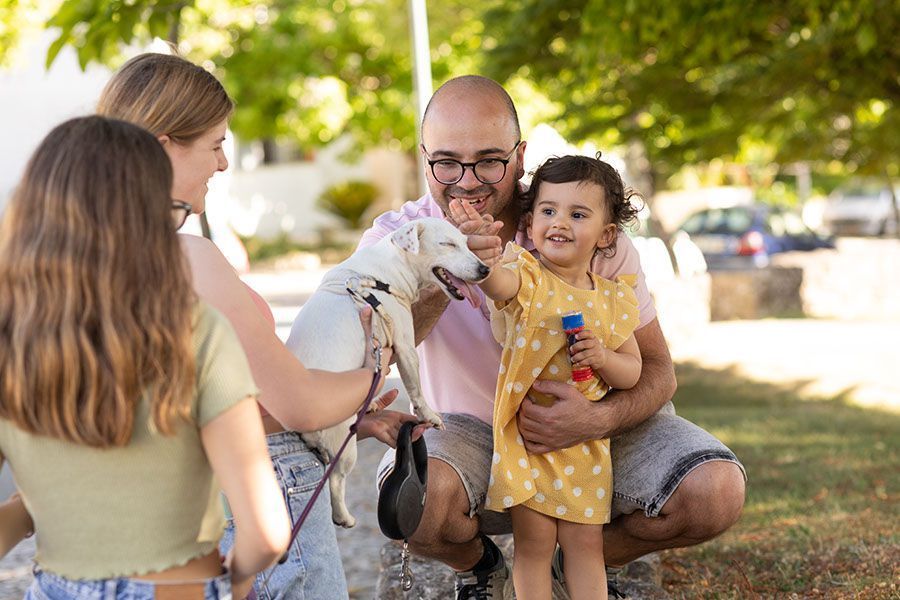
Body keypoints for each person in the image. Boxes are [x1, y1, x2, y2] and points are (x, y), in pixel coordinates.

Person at [363, 75, 746, 599]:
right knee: (414, 503)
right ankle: (482, 565)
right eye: (447, 162)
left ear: (520, 157)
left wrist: (597, 417)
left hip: (596, 431)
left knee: (716, 492)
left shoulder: (584, 226)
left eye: (489, 161)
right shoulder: (391, 239)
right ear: (423, 156)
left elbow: (658, 371)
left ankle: (576, 558)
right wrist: (444, 263)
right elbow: (372, 361)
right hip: (471, 434)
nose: (468, 182)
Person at [93, 52, 420, 599]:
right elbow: (300, 403)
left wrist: (347, 421)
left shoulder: (91, 257)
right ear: (163, 143)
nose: (223, 165)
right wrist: (376, 368)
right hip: (260, 494)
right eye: (216, 145)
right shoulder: (185, 258)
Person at [0, 115, 290, 599]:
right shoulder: (195, 327)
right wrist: (236, 586)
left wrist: (33, 509)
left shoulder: (11, 335)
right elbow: (265, 533)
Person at [449, 153, 644, 600]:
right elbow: (498, 285)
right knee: (534, 545)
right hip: (529, 445)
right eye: (548, 210)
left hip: (586, 446)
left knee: (585, 546)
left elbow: (632, 371)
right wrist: (481, 254)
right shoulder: (528, 275)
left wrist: (602, 357)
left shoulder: (615, 299)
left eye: (578, 214)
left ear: (606, 234)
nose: (559, 222)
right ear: (532, 220)